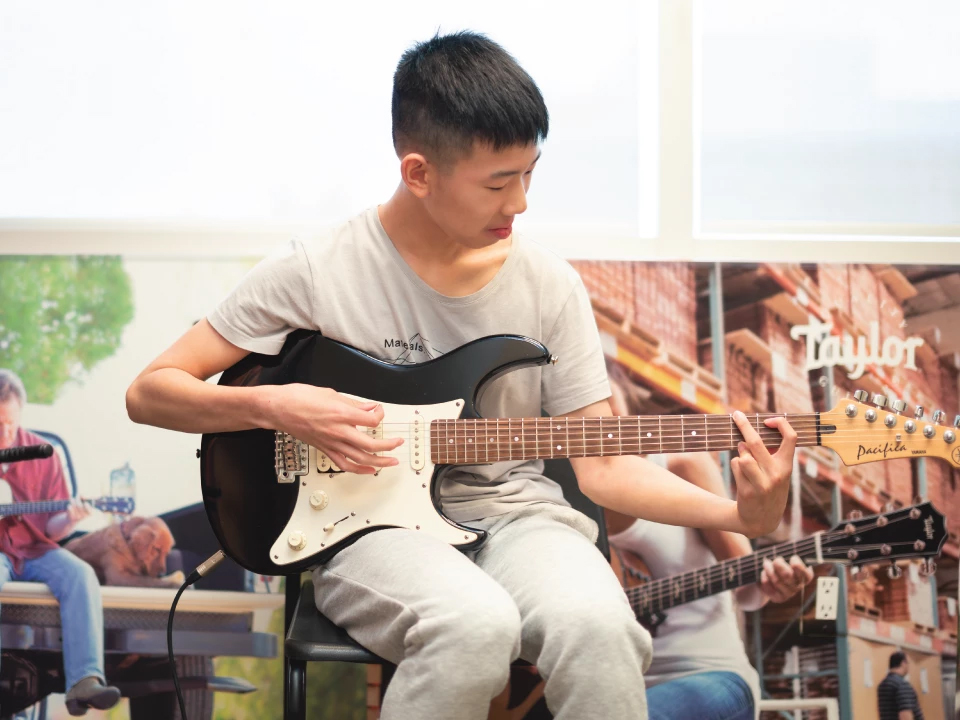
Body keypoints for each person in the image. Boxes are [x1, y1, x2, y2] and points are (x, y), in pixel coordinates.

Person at [125, 31, 798, 720]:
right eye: (498, 182)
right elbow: (151, 392)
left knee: (599, 627)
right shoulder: (317, 269)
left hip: (520, 517)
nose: (520, 204)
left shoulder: (549, 285)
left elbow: (601, 468)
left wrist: (739, 515)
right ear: (419, 173)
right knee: (472, 627)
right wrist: (280, 406)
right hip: (369, 532)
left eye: (530, 174)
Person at [606, 452, 814, 720]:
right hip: (615, 685)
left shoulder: (683, 466)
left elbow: (747, 591)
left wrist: (769, 586)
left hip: (710, 675)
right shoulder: (559, 494)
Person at [0, 369, 122, 715]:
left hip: (36, 551)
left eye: (9, 423)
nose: (3, 432)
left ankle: (84, 681)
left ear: (21, 413)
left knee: (79, 574)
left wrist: (70, 517)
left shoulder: (45, 455)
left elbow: (53, 531)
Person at [878, 651, 924, 720]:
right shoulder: (902, 685)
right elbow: (905, 712)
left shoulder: (882, 685)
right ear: (903, 663)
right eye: (908, 663)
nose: (908, 666)